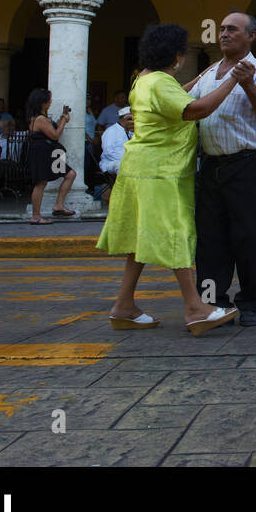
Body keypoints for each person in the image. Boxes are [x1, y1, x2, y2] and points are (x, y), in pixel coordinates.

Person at [96, 23, 242, 336]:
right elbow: (195, 109)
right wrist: (232, 80)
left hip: (137, 168)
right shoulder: (161, 83)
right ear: (175, 56)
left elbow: (174, 96)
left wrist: (201, 78)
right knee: (176, 234)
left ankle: (123, 306)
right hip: (161, 172)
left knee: (139, 241)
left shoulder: (143, 80)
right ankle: (194, 308)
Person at [182, 12, 256, 328]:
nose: (224, 34)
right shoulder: (210, 71)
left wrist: (249, 84)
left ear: (251, 35)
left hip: (249, 168)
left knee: (251, 241)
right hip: (212, 169)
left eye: (232, 30)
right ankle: (214, 302)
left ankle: (251, 304)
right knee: (211, 244)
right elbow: (185, 105)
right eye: (222, 29)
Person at [24, 88, 78, 224]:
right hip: (42, 152)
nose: (51, 102)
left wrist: (62, 118)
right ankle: (36, 216)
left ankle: (58, 205)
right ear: (43, 103)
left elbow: (53, 129)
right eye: (49, 100)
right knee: (41, 183)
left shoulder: (43, 118)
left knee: (70, 174)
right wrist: (64, 122)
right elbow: (55, 135)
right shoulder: (40, 119)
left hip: (50, 152)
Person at [99, 107, 134, 176]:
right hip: (111, 162)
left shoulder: (130, 132)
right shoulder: (111, 131)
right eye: (132, 119)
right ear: (126, 118)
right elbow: (108, 152)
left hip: (129, 161)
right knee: (123, 166)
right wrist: (127, 160)